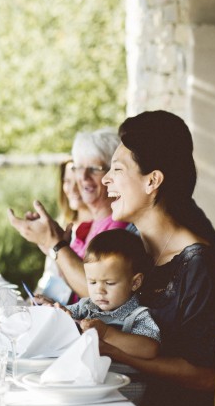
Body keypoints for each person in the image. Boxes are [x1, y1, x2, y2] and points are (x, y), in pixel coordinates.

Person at [98, 110, 215, 406]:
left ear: (153, 181)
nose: (105, 179)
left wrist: (115, 348)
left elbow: (208, 376)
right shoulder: (136, 245)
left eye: (118, 169)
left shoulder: (198, 266)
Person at [9, 129, 128, 301]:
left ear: (112, 174)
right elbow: (74, 283)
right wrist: (48, 243)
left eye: (95, 168)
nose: (84, 177)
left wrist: (55, 243)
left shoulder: (117, 227)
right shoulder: (92, 224)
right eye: (79, 167)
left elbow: (96, 295)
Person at [63, 228, 160, 360]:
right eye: (92, 282)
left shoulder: (137, 316)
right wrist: (56, 311)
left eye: (109, 283)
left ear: (135, 283)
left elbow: (149, 349)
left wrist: (106, 333)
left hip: (122, 378)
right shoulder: (85, 306)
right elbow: (63, 316)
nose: (99, 290)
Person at [35, 159, 94, 303]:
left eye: (77, 182)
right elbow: (50, 276)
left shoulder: (100, 228)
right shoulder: (62, 224)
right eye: (67, 181)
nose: (72, 189)